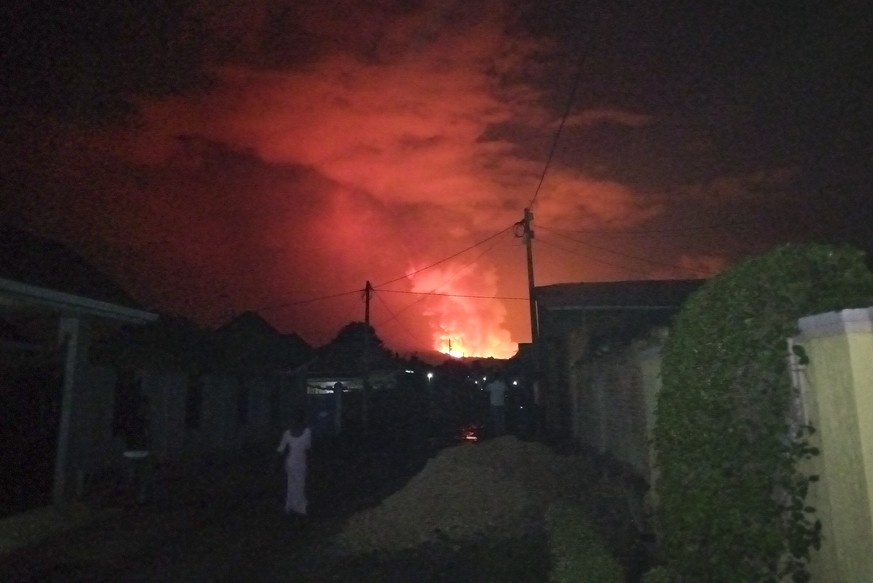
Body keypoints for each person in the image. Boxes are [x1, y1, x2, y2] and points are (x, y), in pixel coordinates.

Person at [276, 408, 312, 520]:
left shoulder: (287, 433)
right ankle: (299, 507)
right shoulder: (307, 432)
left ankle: (290, 506)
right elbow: (308, 447)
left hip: (290, 461)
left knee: (291, 484)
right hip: (300, 461)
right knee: (300, 484)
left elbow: (281, 449)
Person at [121, 394, 151, 505]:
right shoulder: (135, 420)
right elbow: (130, 434)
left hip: (141, 451)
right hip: (133, 451)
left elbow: (147, 437)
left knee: (141, 477)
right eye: (144, 406)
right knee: (132, 477)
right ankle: (131, 500)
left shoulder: (144, 420)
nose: (146, 408)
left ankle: (139, 500)